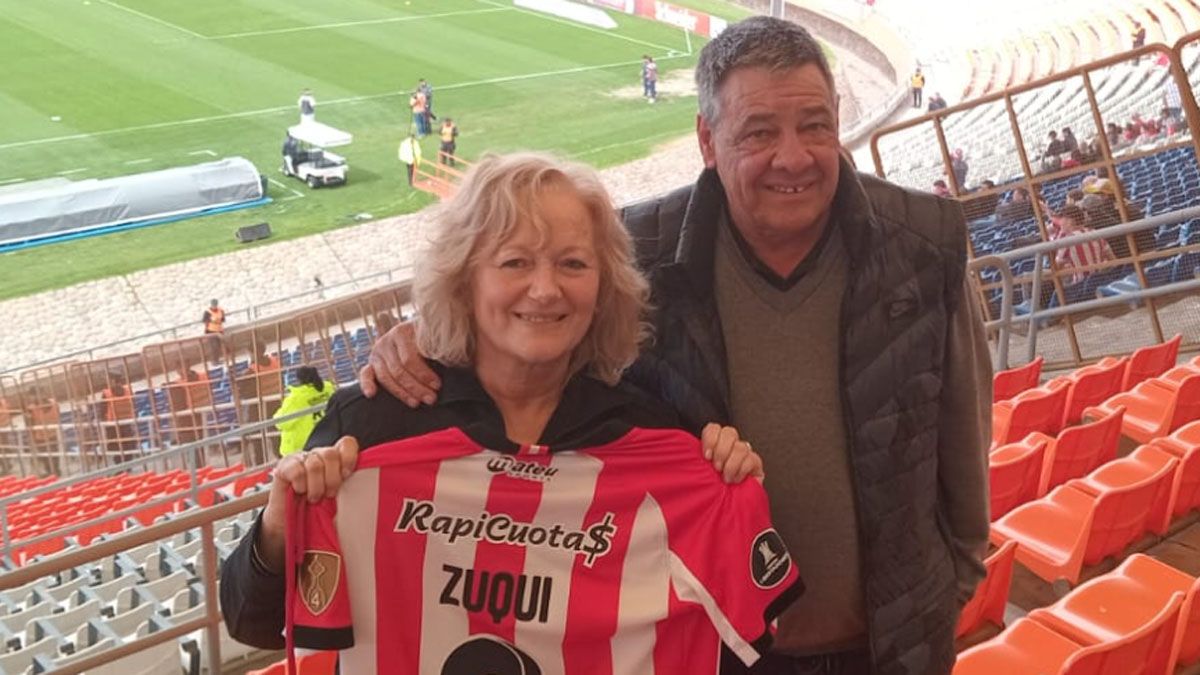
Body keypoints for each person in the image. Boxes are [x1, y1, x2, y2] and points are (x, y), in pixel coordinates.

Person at [362, 17, 991, 675]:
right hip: (706, 648)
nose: (794, 157)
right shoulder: (636, 249)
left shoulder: (925, 243)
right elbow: (532, 340)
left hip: (892, 648)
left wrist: (946, 591)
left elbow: (966, 442)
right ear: (706, 140)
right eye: (759, 133)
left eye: (814, 125)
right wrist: (432, 341)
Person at [221, 153, 796, 674]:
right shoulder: (371, 429)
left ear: (604, 286)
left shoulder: (658, 444)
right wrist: (280, 527)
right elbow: (253, 621)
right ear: (465, 279)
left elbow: (736, 640)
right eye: (515, 262)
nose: (545, 290)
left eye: (573, 264)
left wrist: (727, 496)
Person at [272, 366, 336, 457]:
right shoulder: (328, 388)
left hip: (303, 447)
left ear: (299, 379)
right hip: (328, 438)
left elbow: (281, 423)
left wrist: (278, 413)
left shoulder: (296, 398)